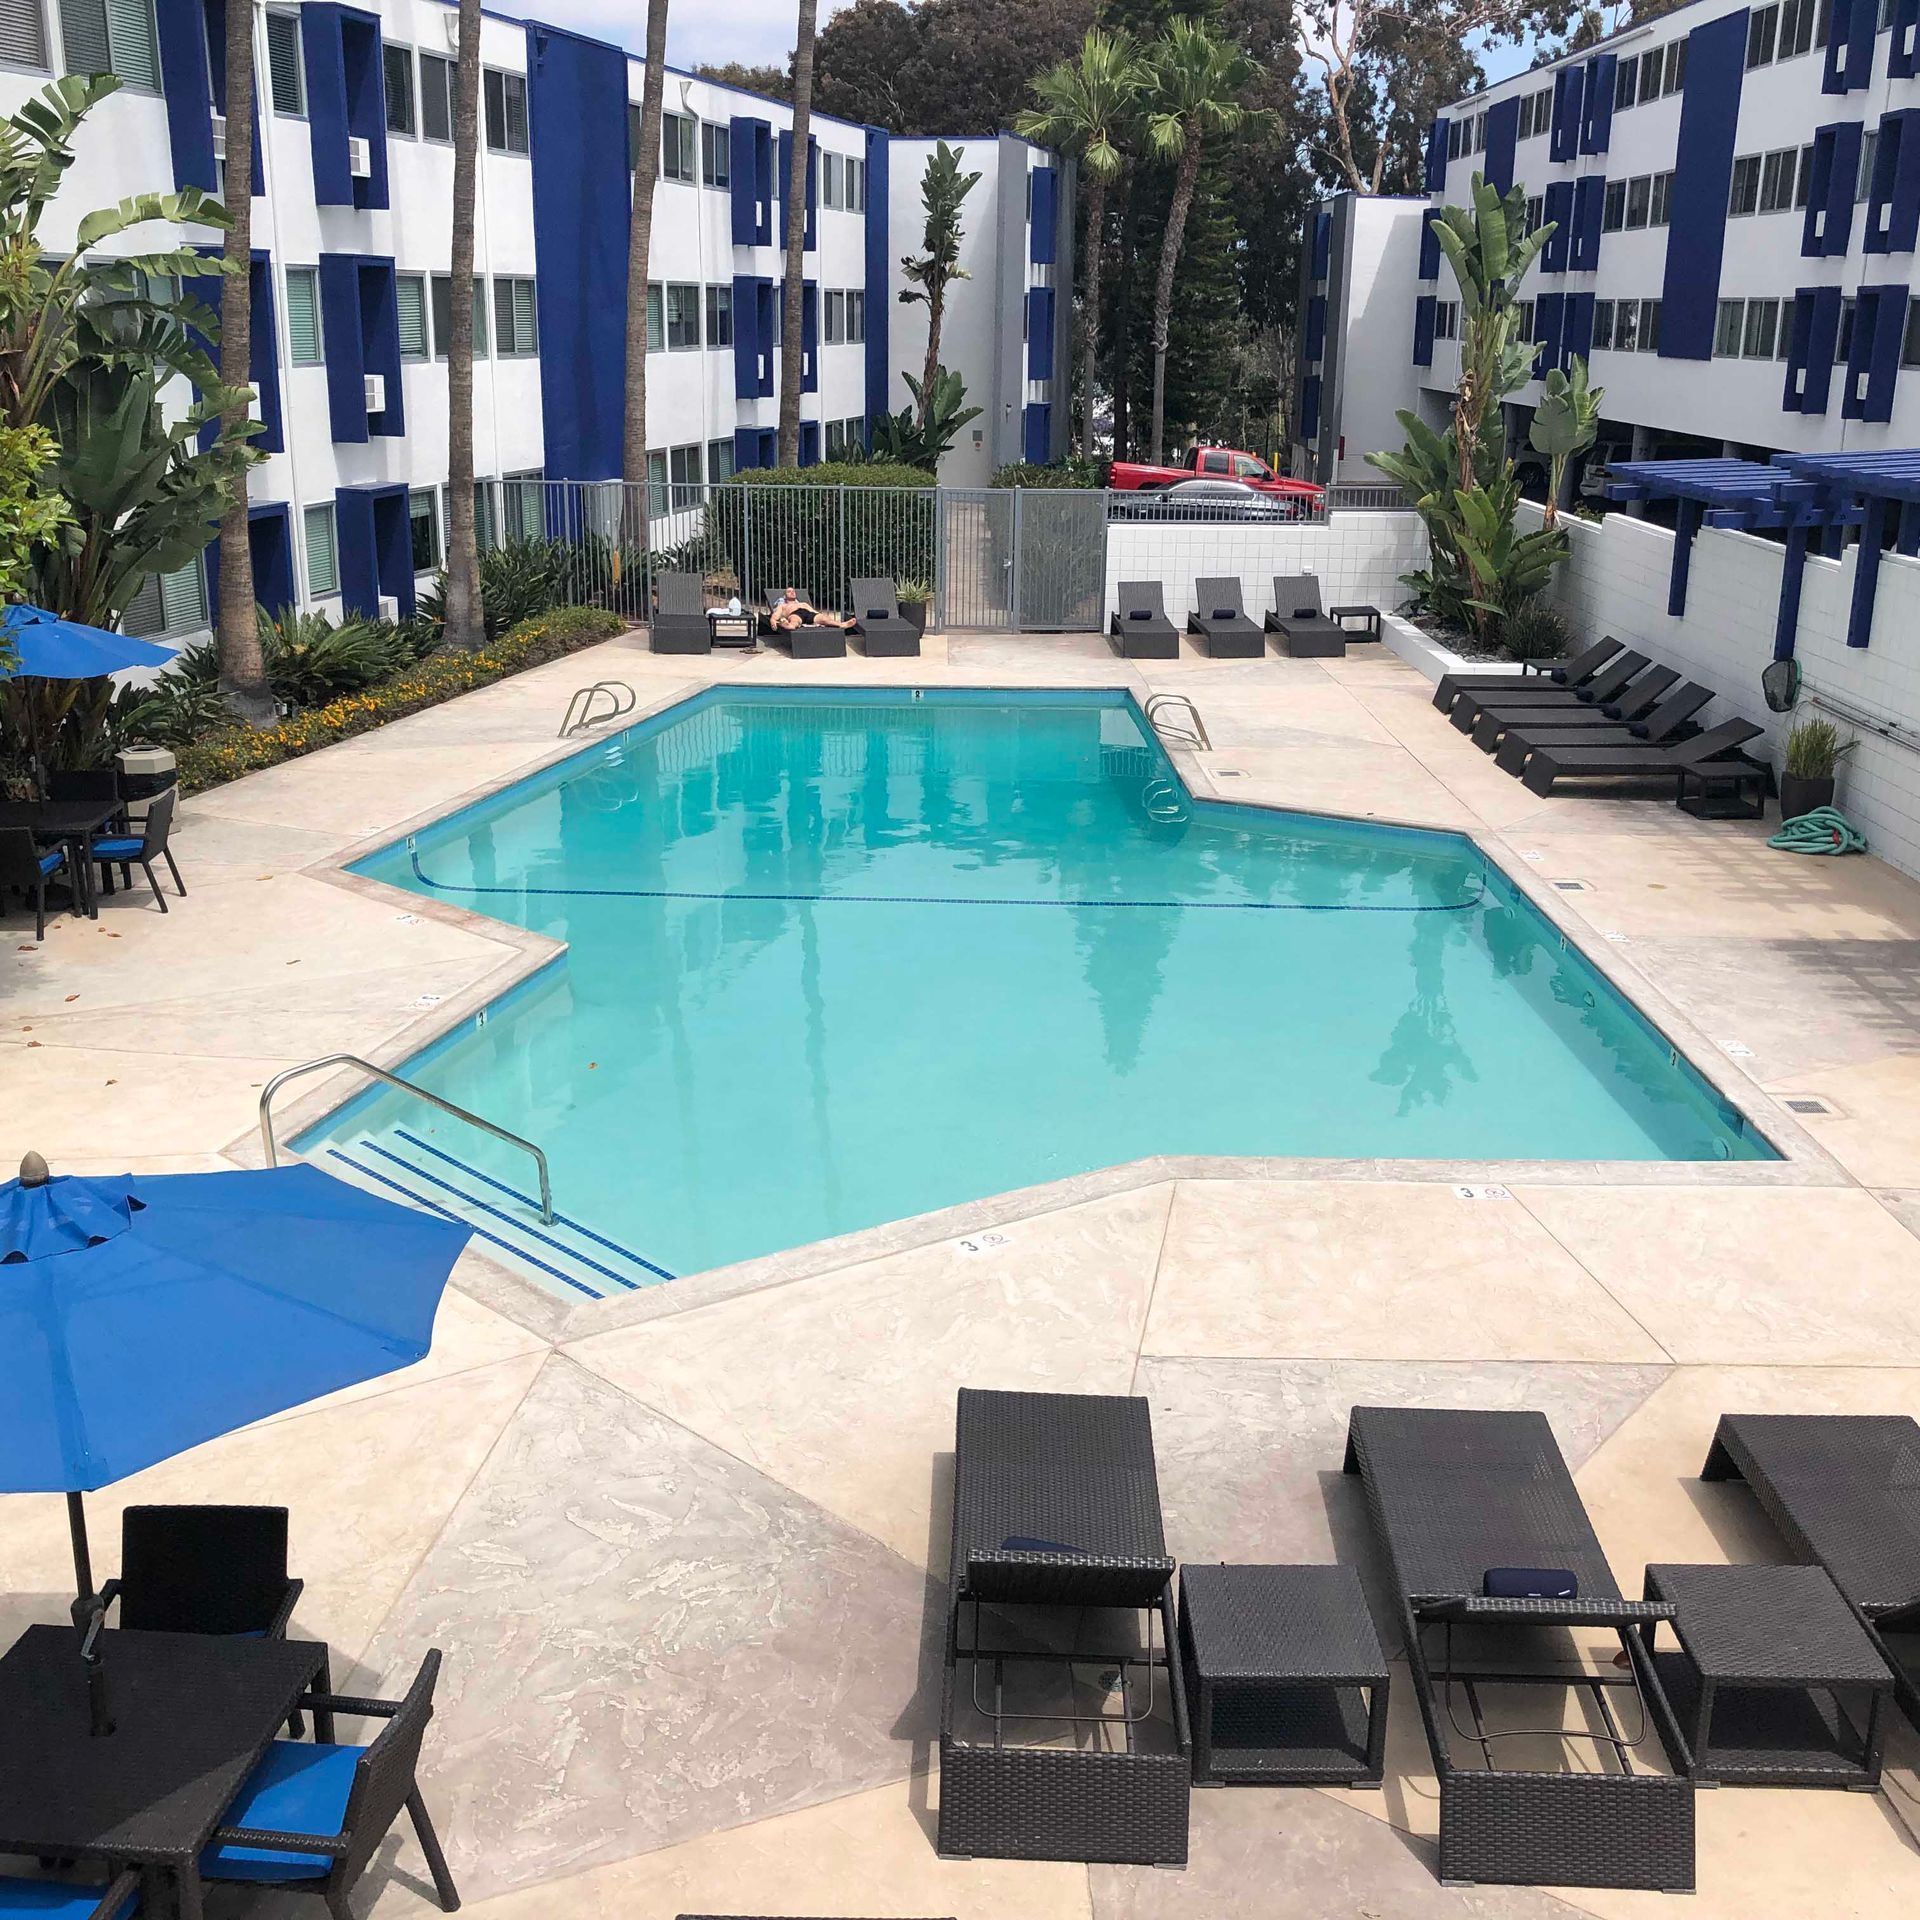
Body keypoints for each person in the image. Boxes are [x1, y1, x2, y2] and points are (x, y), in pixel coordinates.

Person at [769, 585, 851, 633]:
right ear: (785, 596)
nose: (792, 592)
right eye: (789, 591)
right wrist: (773, 620)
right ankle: (789, 625)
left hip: (808, 614)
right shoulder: (783, 605)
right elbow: (775, 615)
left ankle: (841, 624)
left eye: (793, 591)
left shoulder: (803, 603)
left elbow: (814, 612)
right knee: (794, 620)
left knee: (823, 618)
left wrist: (820, 616)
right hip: (795, 614)